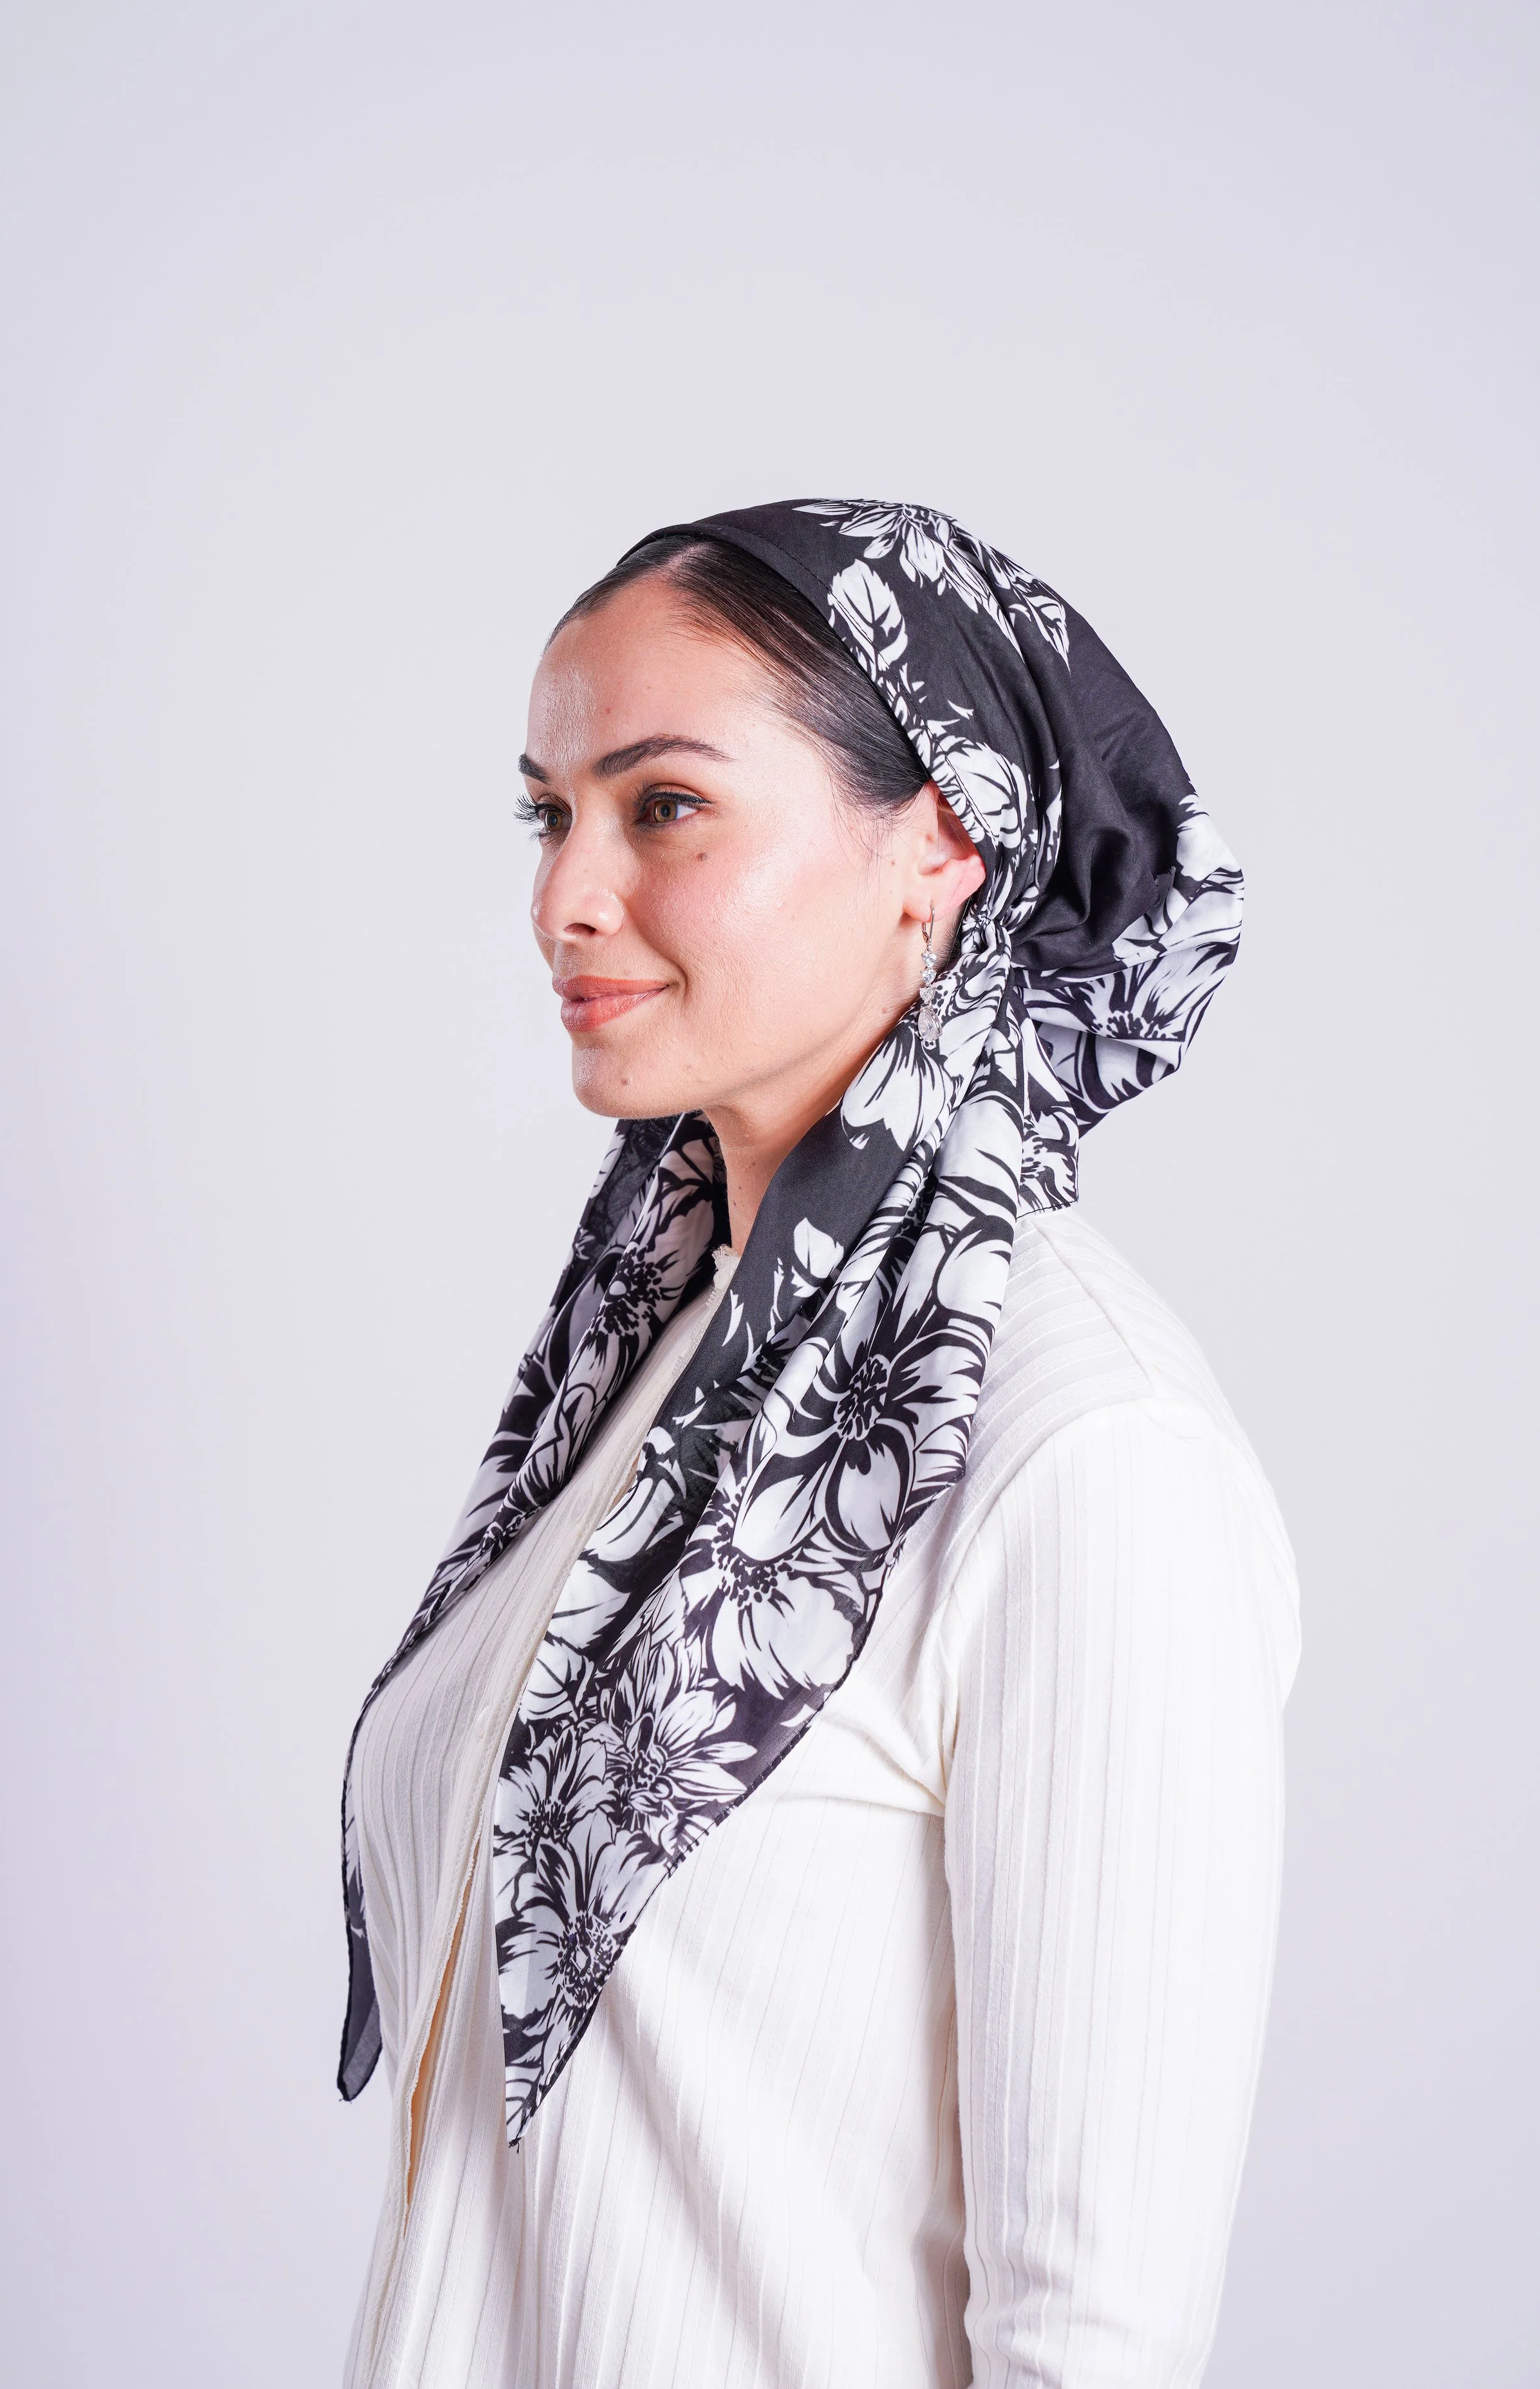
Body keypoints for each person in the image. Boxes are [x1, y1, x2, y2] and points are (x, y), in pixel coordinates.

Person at [336, 500, 1299, 2388]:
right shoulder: (647, 1354)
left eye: (662, 804)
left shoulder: (1075, 1444)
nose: (565, 896)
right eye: (546, 812)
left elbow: (1097, 2337)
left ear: (940, 836)